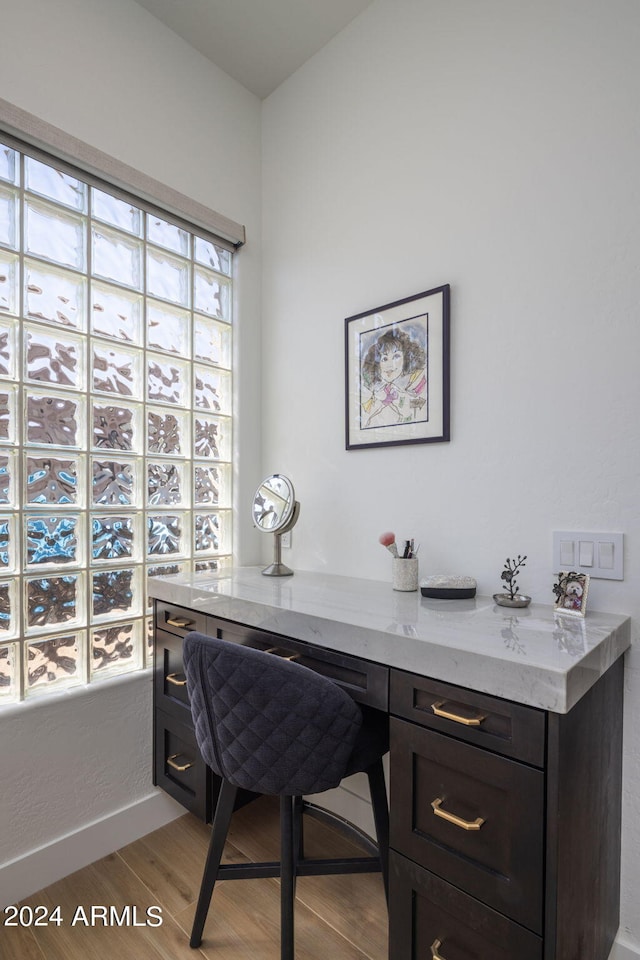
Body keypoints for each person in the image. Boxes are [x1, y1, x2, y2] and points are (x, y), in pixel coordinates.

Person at [360, 326, 427, 427]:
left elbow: (420, 407)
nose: (390, 365)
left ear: (406, 359)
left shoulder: (416, 384)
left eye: (396, 357)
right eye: (385, 359)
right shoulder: (378, 392)